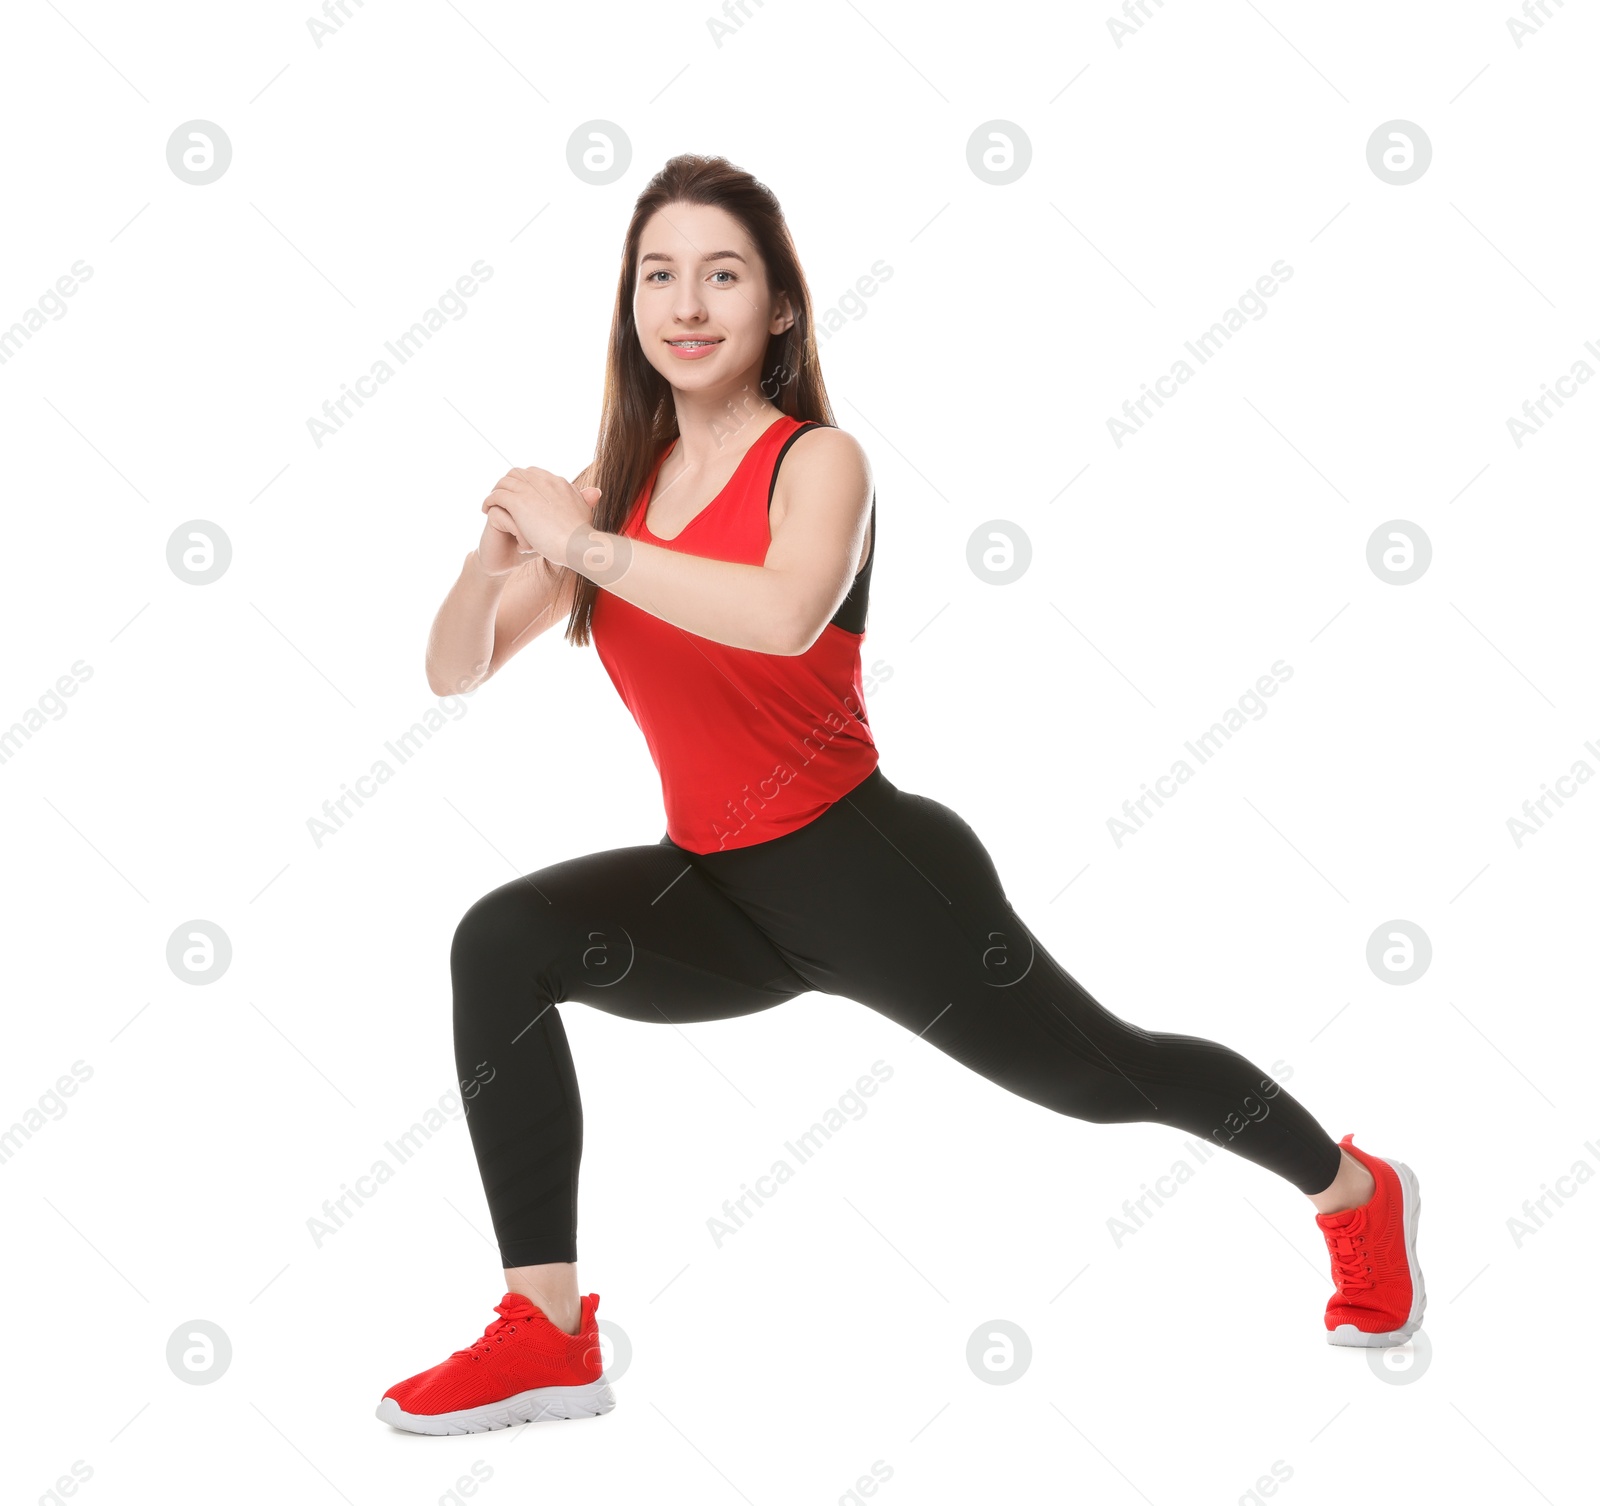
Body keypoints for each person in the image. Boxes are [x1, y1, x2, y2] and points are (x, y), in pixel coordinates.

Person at [376, 155, 1425, 1436]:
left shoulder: (819, 463)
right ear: (629, 306)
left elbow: (780, 611)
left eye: (723, 274)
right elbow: (452, 670)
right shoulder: (619, 490)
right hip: (715, 886)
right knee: (501, 940)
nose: (687, 302)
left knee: (1106, 1078)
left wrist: (585, 546)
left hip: (872, 874)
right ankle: (545, 1332)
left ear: (777, 310)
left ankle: (1350, 1191)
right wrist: (487, 566)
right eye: (660, 274)